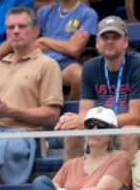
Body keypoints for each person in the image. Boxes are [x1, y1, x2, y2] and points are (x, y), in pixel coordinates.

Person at [0, 5, 62, 185]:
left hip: (24, 134)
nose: (16, 31)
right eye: (11, 27)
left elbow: (52, 116)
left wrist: (10, 112)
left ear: (35, 32)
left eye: (22, 26)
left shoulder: (47, 65)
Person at [53, 15, 140, 163]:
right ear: (98, 43)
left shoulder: (137, 64)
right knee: (73, 134)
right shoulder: (90, 66)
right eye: (105, 38)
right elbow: (84, 113)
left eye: (115, 37)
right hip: (100, 127)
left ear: (125, 42)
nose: (110, 41)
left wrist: (96, 123)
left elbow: (136, 117)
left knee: (127, 133)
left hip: (129, 128)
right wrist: (70, 121)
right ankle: (73, 177)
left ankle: (128, 178)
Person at [29, 106, 132, 190]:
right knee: (40, 182)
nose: (94, 130)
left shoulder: (120, 157)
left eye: (101, 126)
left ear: (112, 133)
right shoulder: (71, 164)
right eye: (89, 126)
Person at [34, 0, 95, 97]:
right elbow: (31, 45)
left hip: (65, 64)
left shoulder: (87, 14)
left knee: (79, 76)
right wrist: (66, 44)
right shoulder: (44, 11)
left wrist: (43, 40)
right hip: (39, 62)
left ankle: (69, 110)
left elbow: (74, 49)